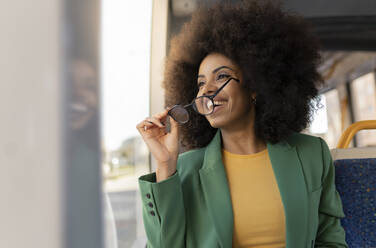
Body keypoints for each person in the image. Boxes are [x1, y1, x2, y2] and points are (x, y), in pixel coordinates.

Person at [135, 0, 348, 247]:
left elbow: (330, 239)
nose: (207, 90)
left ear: (256, 86)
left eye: (222, 76)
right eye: (201, 83)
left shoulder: (312, 153)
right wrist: (164, 166)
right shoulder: (183, 170)